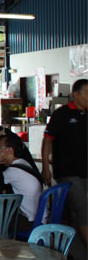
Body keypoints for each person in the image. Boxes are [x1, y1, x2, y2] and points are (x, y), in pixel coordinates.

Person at [41, 78, 88, 243]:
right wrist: (46, 167)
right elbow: (47, 141)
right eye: (87, 93)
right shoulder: (61, 114)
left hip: (85, 171)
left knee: (69, 210)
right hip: (67, 171)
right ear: (75, 94)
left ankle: (61, 245)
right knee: (83, 209)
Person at [0, 133, 44, 232]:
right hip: (40, 216)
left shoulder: (12, 172)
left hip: (31, 221)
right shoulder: (23, 162)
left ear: (10, 150)